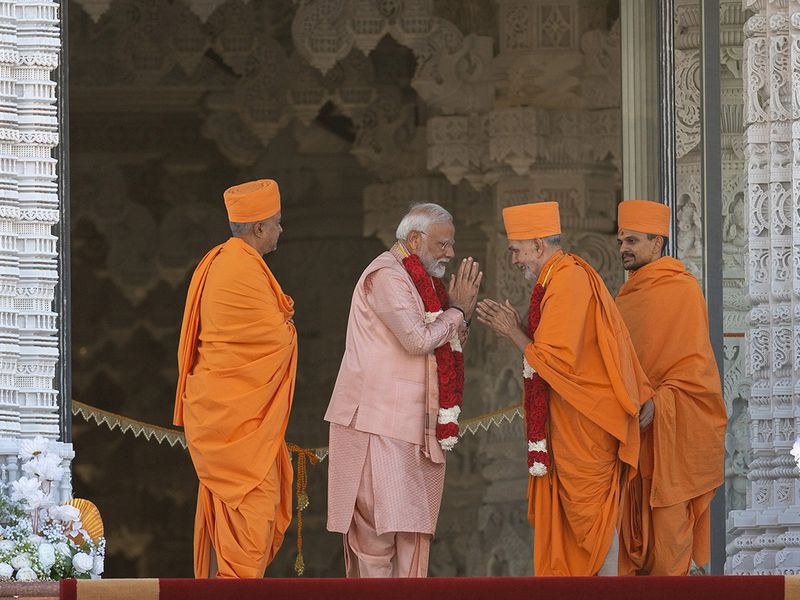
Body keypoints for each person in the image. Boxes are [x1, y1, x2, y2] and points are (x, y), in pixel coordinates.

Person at [476, 201, 652, 576]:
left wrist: (512, 332)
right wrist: (521, 329)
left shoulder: (568, 279)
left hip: (586, 429)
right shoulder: (556, 278)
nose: (513, 260)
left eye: (516, 250)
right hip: (570, 427)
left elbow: (556, 361)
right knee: (578, 535)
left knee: (594, 532)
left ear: (538, 245)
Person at [325, 203, 482, 577]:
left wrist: (460, 314)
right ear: (414, 239)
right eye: (443, 245)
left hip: (415, 426)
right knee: (376, 540)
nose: (451, 253)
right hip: (376, 423)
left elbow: (444, 342)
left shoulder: (422, 283)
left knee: (414, 537)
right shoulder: (386, 276)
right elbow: (416, 339)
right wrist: (457, 310)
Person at [174, 179, 295, 578]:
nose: (281, 229)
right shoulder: (237, 267)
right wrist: (288, 328)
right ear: (258, 229)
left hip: (233, 417)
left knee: (238, 514)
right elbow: (273, 338)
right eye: (276, 223)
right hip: (234, 424)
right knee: (252, 511)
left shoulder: (226, 262)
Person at [615, 199, 727, 575]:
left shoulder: (682, 290)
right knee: (634, 549)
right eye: (620, 241)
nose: (624, 249)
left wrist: (661, 403)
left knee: (668, 547)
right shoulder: (624, 298)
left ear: (657, 242)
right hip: (633, 436)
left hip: (671, 432)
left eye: (632, 240)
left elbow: (698, 373)